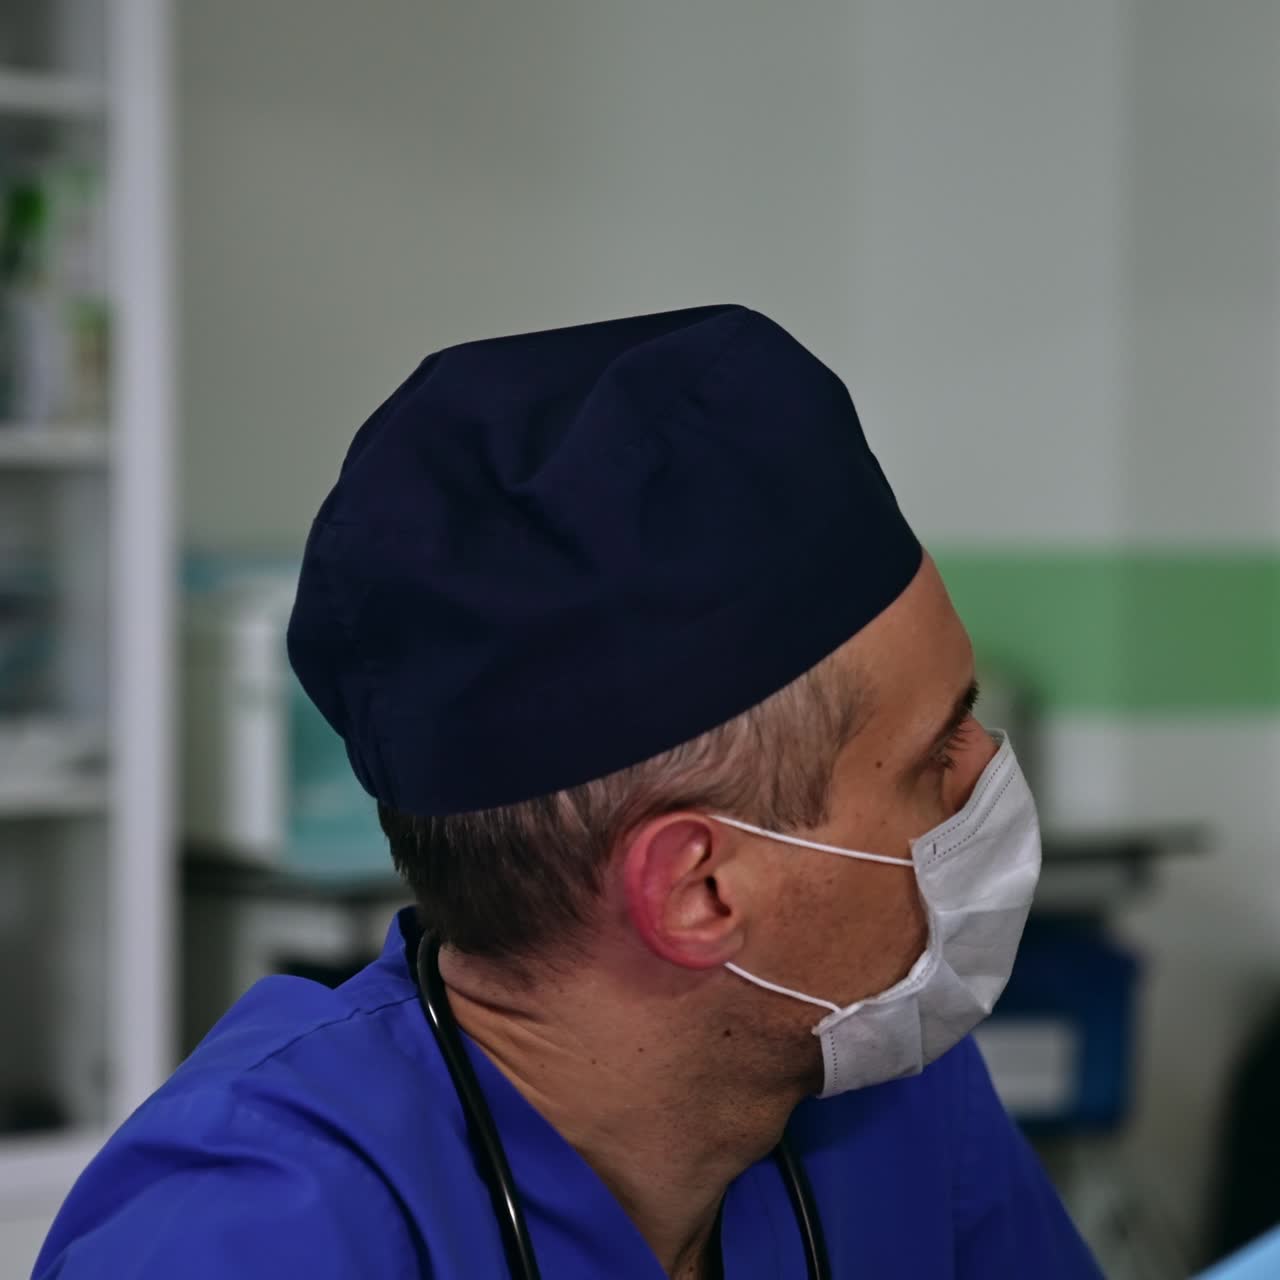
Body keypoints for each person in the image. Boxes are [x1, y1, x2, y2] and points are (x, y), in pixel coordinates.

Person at [34, 305, 1103, 1278]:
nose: (983, 769)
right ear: (697, 890)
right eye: (936, 748)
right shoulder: (245, 1240)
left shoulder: (889, 1100)